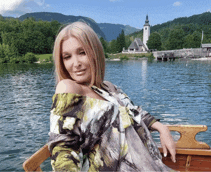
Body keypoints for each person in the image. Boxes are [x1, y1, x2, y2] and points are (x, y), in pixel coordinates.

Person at [48, 21, 176, 171]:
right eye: (67, 57)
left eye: (82, 52)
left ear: (95, 53)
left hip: (145, 165)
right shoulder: (68, 88)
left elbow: (134, 112)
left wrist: (162, 128)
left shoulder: (108, 87)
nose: (76, 63)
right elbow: (62, 148)